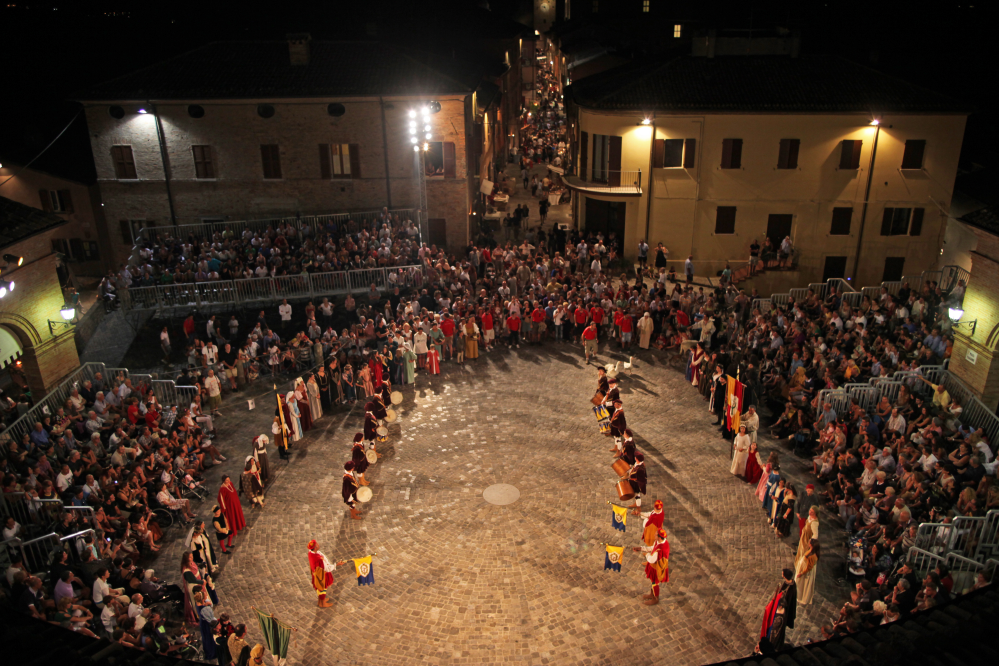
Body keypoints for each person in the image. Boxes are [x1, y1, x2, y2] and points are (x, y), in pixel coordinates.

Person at [760, 568, 797, 651]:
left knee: (777, 634)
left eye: (782, 573)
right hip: (782, 609)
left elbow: (786, 599)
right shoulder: (789, 584)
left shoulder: (790, 589)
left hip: (782, 613)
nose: (782, 574)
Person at [632, 528, 669, 606]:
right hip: (655, 565)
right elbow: (652, 548)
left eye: (655, 535)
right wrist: (641, 548)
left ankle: (656, 599)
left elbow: (651, 560)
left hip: (657, 567)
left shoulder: (661, 549)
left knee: (655, 583)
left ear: (659, 537)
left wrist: (647, 554)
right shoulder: (658, 541)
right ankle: (652, 594)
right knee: (653, 582)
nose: (654, 535)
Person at [307, 540, 346, 608]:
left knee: (319, 588)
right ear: (315, 547)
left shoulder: (311, 552)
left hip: (316, 573)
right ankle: (322, 603)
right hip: (321, 575)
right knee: (322, 588)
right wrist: (336, 565)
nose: (318, 544)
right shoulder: (319, 559)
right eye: (317, 544)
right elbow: (327, 568)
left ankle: (320, 601)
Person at [217, 475, 246, 544]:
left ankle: (240, 525)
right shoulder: (222, 489)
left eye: (229, 479)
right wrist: (223, 508)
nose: (228, 481)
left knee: (237, 514)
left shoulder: (231, 484)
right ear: (224, 481)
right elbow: (221, 499)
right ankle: (233, 529)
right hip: (229, 506)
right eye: (227, 480)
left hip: (235, 504)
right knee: (232, 516)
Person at [795, 539, 820, 605]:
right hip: (803, 568)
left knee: (803, 584)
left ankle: (802, 597)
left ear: (811, 545)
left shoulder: (813, 556)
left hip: (805, 572)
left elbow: (809, 568)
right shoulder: (811, 551)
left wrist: (801, 573)